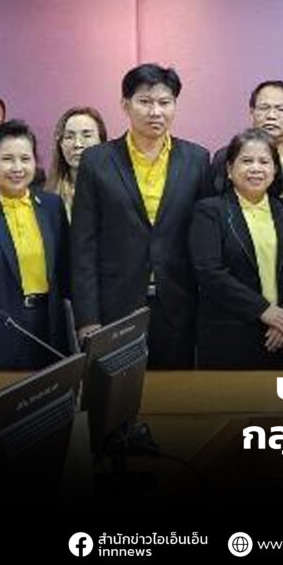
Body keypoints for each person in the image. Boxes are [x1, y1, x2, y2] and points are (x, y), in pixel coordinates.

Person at [71, 63, 212, 369]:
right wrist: (87, 317)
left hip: (179, 305)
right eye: (145, 102)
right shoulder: (97, 161)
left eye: (165, 102)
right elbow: (83, 245)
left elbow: (204, 241)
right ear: (125, 105)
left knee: (176, 393)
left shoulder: (197, 159)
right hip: (115, 308)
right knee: (115, 393)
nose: (155, 112)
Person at [190, 129, 283, 368]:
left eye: (264, 162)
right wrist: (263, 310)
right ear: (229, 169)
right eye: (246, 161)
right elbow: (209, 272)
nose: (256, 168)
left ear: (275, 170)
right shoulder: (210, 211)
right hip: (230, 338)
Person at [0, 121, 70, 368]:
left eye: (25, 159)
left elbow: (64, 270)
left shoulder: (52, 206)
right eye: (7, 159)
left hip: (49, 325)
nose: (17, 168)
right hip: (2, 330)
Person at [211, 80, 283, 206]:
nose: (271, 116)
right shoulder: (226, 157)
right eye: (264, 108)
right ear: (252, 113)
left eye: (281, 109)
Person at [46, 106, 107, 218]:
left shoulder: (117, 192)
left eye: (87, 135)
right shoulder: (45, 196)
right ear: (60, 144)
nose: (77, 144)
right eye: (69, 137)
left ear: (102, 141)